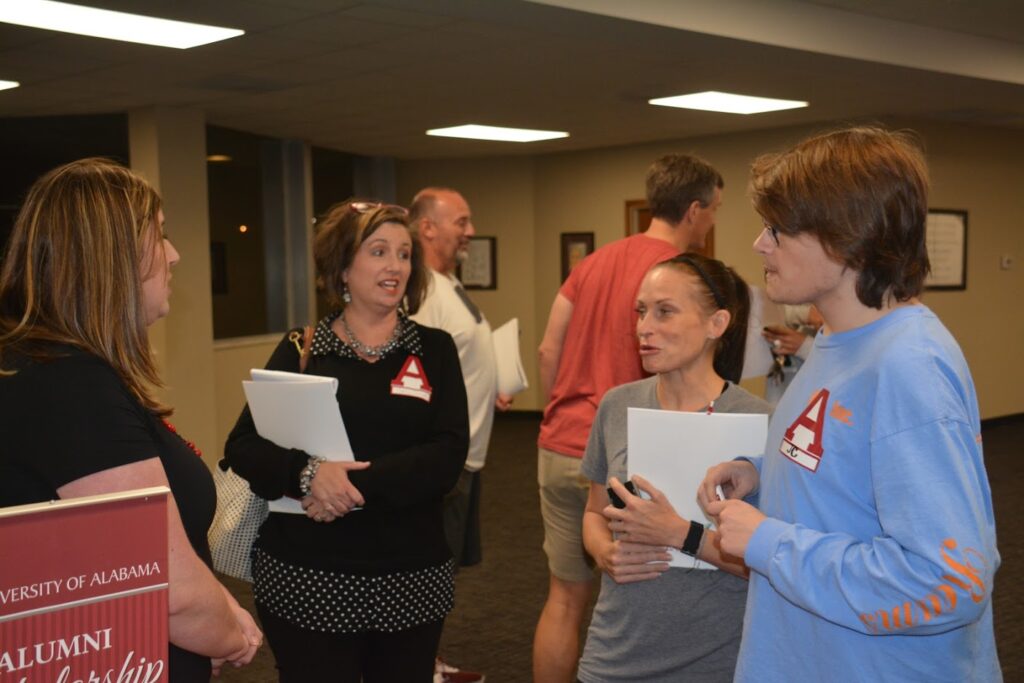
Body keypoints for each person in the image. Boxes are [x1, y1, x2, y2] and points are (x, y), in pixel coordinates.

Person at [701, 126, 1001, 681]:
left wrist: (768, 541)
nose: (759, 244)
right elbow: (849, 467)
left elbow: (949, 582)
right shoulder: (837, 342)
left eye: (778, 229)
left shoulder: (909, 366)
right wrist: (761, 475)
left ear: (846, 237)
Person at [0, 158, 261, 682]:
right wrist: (234, 633)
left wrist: (215, 612)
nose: (175, 255)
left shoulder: (48, 369)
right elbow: (170, 593)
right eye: (159, 236)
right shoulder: (69, 385)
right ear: (110, 258)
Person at [225, 199, 469, 683]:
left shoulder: (435, 350)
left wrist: (345, 485)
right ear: (342, 267)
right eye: (379, 251)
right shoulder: (303, 349)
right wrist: (310, 474)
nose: (395, 266)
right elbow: (244, 446)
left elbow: (446, 456)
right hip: (309, 577)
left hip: (409, 577)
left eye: (404, 254)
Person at [534, 153, 723, 683]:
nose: (711, 222)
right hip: (628, 453)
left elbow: (549, 350)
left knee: (564, 598)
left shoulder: (592, 262)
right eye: (713, 210)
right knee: (643, 592)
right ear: (693, 210)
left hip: (559, 442)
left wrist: (562, 415)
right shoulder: (675, 277)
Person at [577, 253, 770, 682]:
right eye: (641, 311)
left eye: (665, 312)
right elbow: (593, 513)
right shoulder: (617, 404)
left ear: (716, 325)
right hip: (615, 650)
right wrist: (603, 552)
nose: (645, 326)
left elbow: (769, 563)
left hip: (713, 658)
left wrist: (679, 533)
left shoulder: (761, 423)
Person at [409, 188, 511, 683]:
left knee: (442, 570)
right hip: (444, 460)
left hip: (469, 453)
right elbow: (415, 377)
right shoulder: (422, 291)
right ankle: (416, 665)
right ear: (427, 227)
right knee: (427, 570)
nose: (470, 232)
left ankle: (426, 660)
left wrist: (489, 384)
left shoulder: (448, 285)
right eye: (462, 222)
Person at [761, 303, 822, 404]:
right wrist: (806, 314)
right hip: (781, 402)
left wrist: (805, 346)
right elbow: (762, 316)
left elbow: (848, 364)